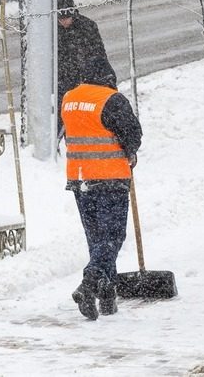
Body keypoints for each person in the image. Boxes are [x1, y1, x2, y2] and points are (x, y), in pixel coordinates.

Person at [61, 56, 141, 321]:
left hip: (79, 178)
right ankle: (90, 283)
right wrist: (131, 151)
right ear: (109, 78)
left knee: (97, 239)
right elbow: (133, 134)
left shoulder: (69, 99)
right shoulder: (111, 99)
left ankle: (107, 292)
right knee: (113, 236)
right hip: (109, 178)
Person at [57, 0, 108, 140]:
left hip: (86, 78)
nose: (64, 22)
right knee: (65, 114)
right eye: (61, 19)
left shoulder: (88, 27)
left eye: (66, 18)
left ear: (73, 14)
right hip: (64, 79)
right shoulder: (54, 30)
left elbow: (99, 55)